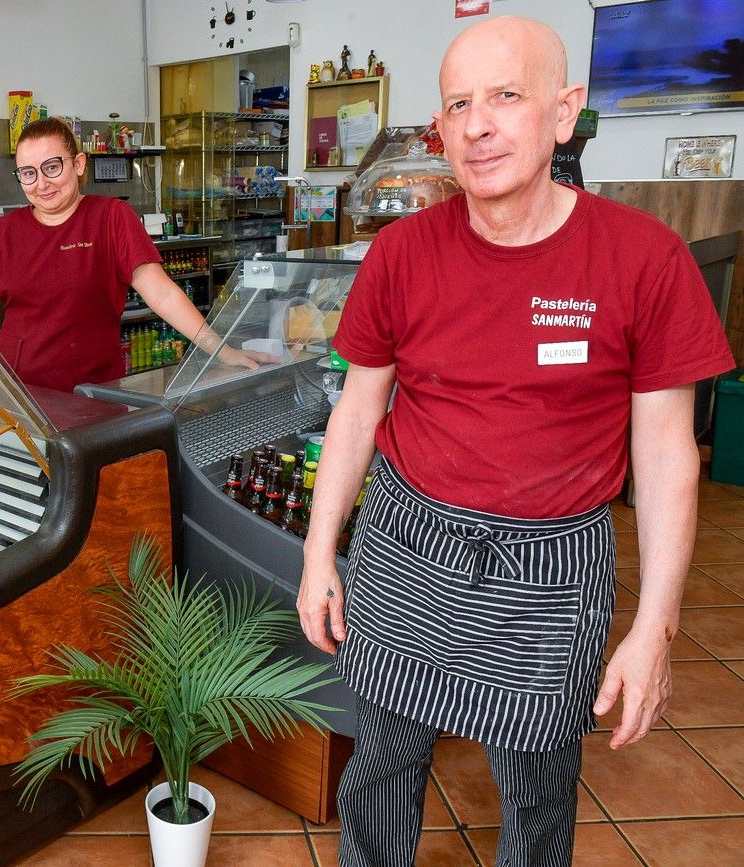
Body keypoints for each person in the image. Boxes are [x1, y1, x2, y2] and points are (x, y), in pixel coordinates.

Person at [295, 16, 734, 867]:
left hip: (550, 569)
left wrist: (656, 625)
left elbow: (669, 455)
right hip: (404, 545)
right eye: (458, 103)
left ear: (565, 112)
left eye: (505, 95)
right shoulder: (402, 253)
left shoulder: (645, 260)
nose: (478, 123)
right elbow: (356, 412)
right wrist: (320, 551)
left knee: (537, 790)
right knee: (378, 768)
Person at [0, 117, 274, 393]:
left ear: (77, 164)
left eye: (51, 167)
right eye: (27, 173)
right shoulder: (5, 232)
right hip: (14, 389)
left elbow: (163, 294)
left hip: (93, 390)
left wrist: (221, 351)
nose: (41, 183)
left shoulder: (110, 218)